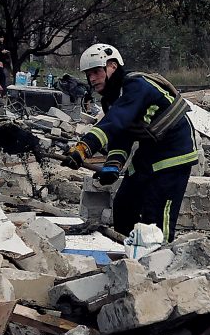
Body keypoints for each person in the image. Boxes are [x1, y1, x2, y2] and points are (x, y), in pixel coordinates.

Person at [63, 44, 199, 242]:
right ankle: (127, 250)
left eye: (96, 72)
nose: (92, 79)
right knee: (124, 205)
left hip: (174, 153)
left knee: (157, 213)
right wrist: (112, 166)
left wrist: (83, 148)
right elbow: (121, 135)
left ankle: (159, 257)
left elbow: (115, 121)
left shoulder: (136, 86)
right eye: (88, 74)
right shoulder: (111, 100)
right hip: (149, 151)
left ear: (113, 66)